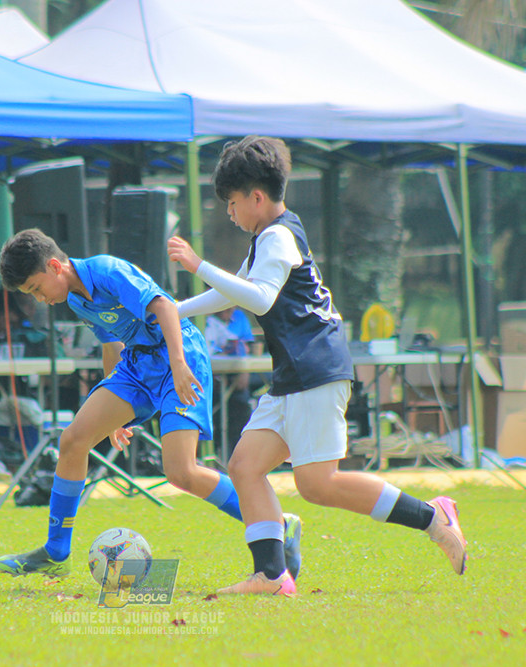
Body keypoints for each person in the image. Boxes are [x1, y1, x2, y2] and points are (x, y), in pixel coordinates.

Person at [167, 136, 467, 595]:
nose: (229, 213)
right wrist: (174, 309)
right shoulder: (267, 237)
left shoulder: (279, 236)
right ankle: (270, 575)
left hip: (316, 370)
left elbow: (260, 298)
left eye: (231, 203)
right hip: (293, 376)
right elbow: (236, 290)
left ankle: (433, 517)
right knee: (245, 466)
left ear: (256, 197)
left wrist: (198, 263)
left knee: (317, 484)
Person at [0, 228, 300, 579]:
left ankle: (275, 524)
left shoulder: (108, 271)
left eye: (35, 288)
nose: (38, 299)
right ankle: (55, 551)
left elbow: (165, 307)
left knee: (181, 471)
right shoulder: (76, 299)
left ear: (54, 266)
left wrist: (180, 365)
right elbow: (112, 346)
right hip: (137, 366)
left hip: (180, 357)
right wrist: (116, 418)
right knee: (72, 442)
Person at [205, 306, 256, 448]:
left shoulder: (239, 316)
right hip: (211, 377)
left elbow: (246, 347)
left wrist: (243, 371)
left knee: (240, 399)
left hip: (235, 376)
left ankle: (236, 449)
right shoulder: (204, 318)